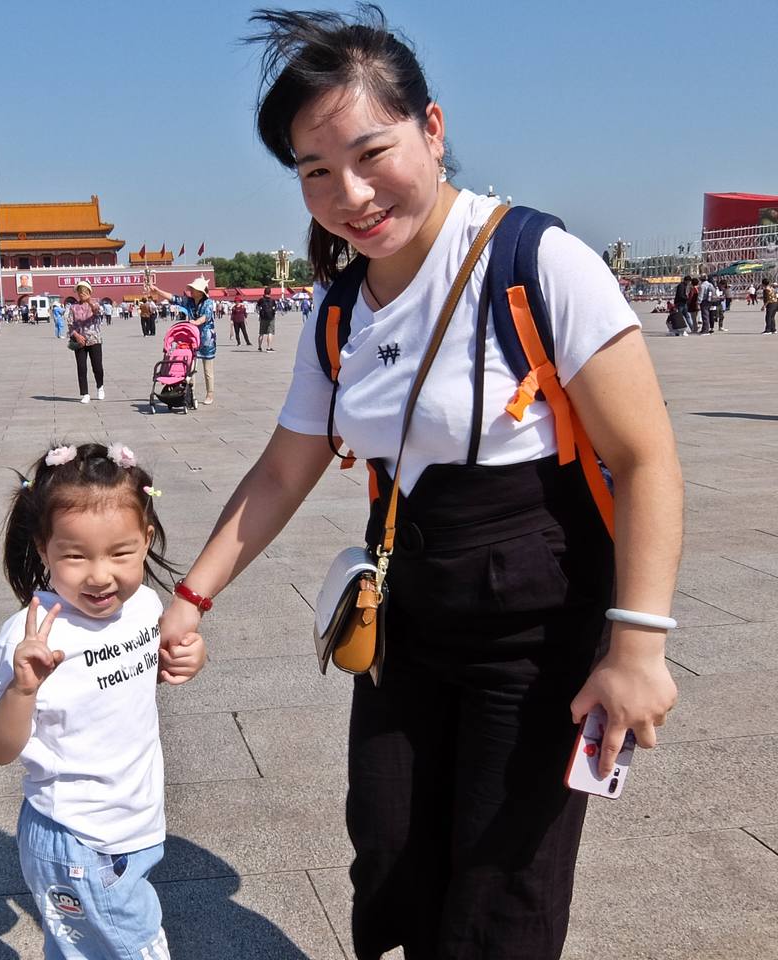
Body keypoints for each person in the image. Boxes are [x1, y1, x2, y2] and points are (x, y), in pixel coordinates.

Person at [158, 9, 682, 959]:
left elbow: (645, 459)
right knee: (391, 859)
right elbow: (285, 466)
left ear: (431, 129)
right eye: (315, 172)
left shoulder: (533, 261)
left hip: (535, 624)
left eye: (371, 153)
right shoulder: (338, 306)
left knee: (499, 885)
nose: (349, 193)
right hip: (406, 618)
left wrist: (637, 646)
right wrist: (191, 596)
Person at [0, 441, 204, 960]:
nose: (100, 576)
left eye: (120, 553)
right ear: (43, 547)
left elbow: (129, 679)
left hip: (133, 825)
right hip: (81, 838)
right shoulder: (31, 636)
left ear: (146, 539)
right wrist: (22, 688)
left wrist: (185, 659)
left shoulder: (143, 605)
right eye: (75, 556)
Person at [147, 276, 217, 404]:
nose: (191, 290)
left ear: (200, 291)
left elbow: (206, 316)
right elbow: (174, 299)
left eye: (194, 289)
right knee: (190, 367)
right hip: (191, 337)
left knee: (208, 369)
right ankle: (190, 393)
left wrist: (196, 322)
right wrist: (157, 291)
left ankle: (210, 394)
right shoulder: (189, 301)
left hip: (206, 339)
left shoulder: (208, 302)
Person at [67, 281, 105, 403]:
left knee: (97, 366)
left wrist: (89, 301)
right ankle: (85, 393)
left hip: (94, 340)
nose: (82, 294)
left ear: (89, 292)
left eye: (84, 292)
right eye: (80, 292)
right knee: (81, 367)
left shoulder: (95, 304)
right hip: (80, 342)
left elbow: (98, 312)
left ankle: (100, 387)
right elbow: (70, 324)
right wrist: (76, 336)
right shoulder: (73, 307)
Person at [257, 286, 278, 351]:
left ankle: (260, 347)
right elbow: (275, 309)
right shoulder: (273, 301)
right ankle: (268, 347)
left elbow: (257, 308)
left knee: (261, 333)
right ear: (270, 292)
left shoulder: (261, 300)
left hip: (263, 317)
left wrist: (259, 315)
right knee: (270, 332)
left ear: (264, 292)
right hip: (271, 318)